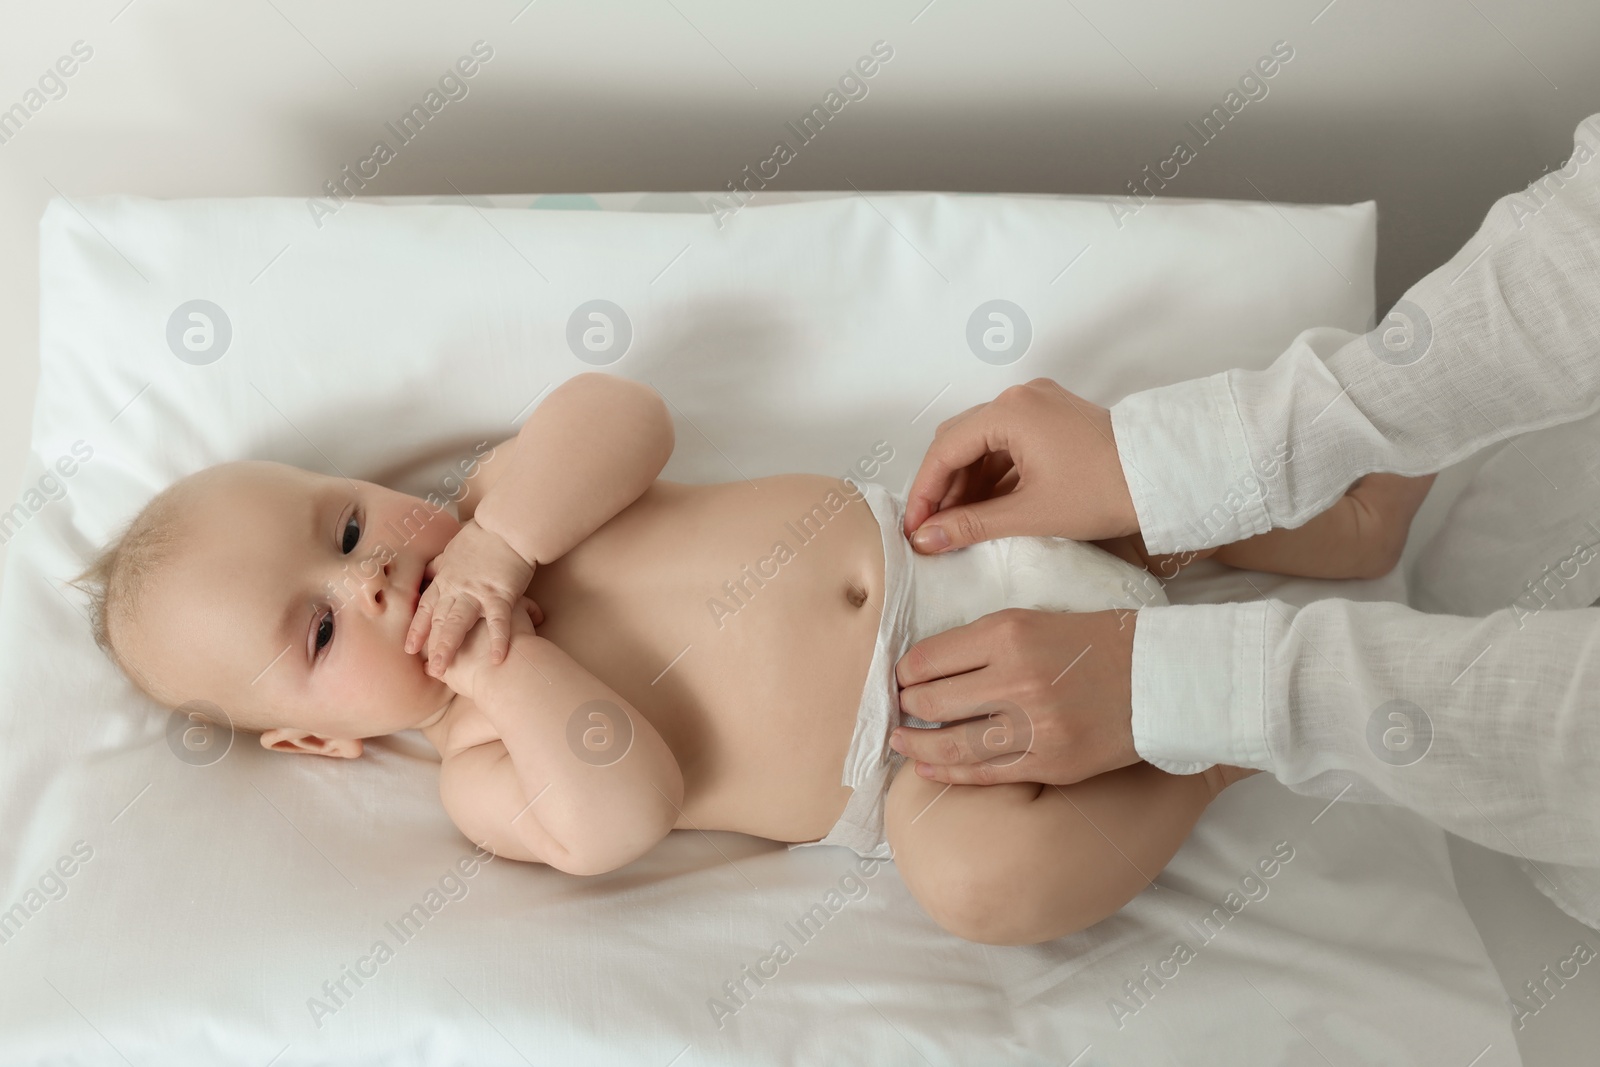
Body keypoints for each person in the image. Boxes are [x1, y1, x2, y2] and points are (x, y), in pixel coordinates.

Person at [889, 110, 1600, 930]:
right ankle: (1353, 520)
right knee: (1159, 518)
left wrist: (1219, 695)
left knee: (980, 880)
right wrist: (1167, 466)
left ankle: (1216, 763)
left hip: (953, 753)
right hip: (942, 729)